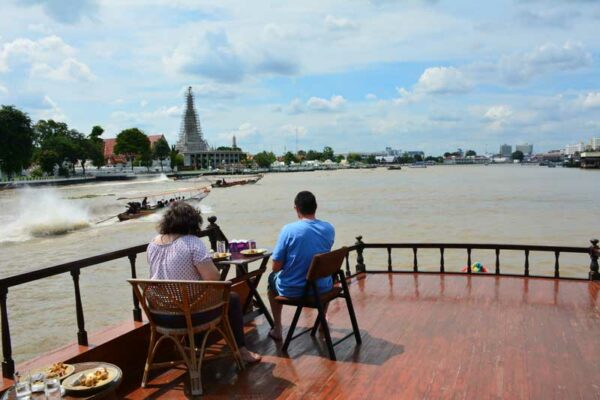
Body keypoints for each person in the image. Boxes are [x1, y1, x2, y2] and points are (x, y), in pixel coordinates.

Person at [147, 202, 261, 364]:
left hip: (161, 316)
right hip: (190, 316)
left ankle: (195, 347)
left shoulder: (153, 244)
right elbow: (214, 280)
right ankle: (241, 350)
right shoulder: (192, 243)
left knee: (198, 297)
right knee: (232, 298)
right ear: (193, 222)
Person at [267, 191, 335, 340]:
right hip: (324, 287)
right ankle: (322, 320)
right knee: (324, 276)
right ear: (315, 207)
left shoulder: (289, 230)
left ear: (296, 209)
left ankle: (277, 328)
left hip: (295, 289)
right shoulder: (329, 228)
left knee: (271, 279)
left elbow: (275, 267)